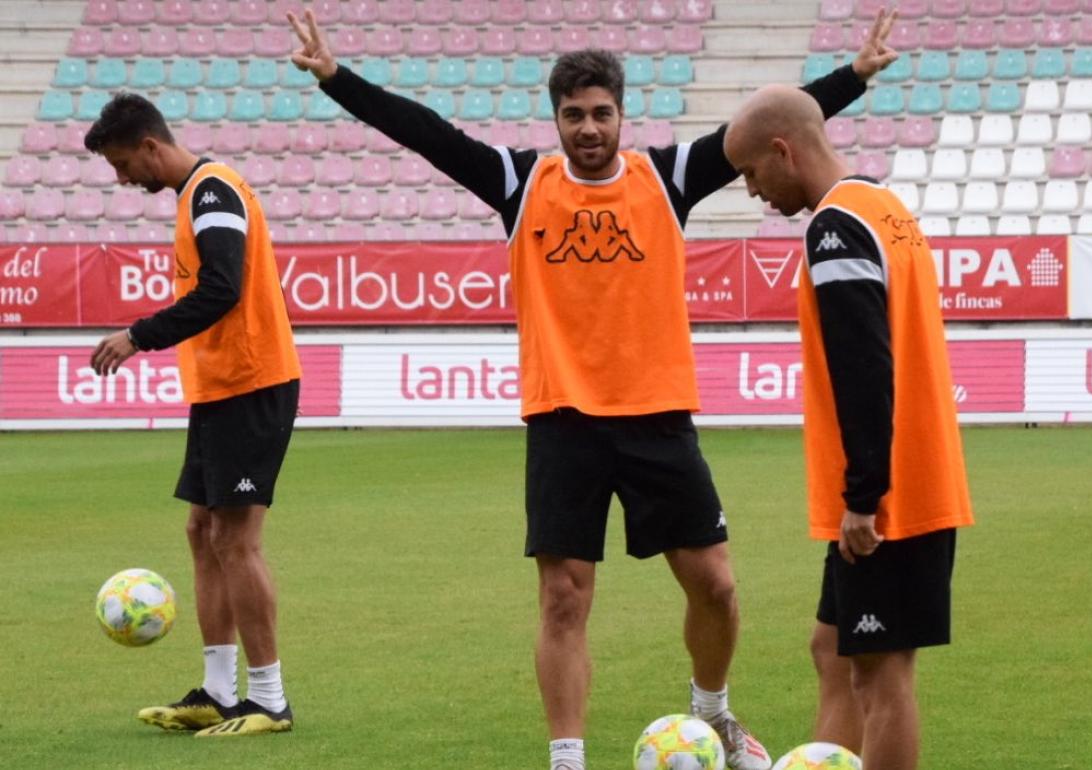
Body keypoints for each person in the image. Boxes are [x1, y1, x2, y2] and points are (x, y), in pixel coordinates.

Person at [287, 9, 896, 769]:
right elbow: (427, 134)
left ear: (621, 114)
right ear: (556, 119)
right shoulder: (521, 183)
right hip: (564, 420)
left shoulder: (666, 178)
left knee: (716, 587)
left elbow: (770, 127)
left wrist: (855, 77)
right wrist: (338, 79)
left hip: (659, 418)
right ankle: (567, 759)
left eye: (601, 113)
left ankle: (714, 716)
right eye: (573, 115)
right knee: (564, 599)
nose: (588, 128)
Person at [722, 85, 975, 770]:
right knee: (833, 650)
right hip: (910, 478)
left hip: (891, 497)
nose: (751, 191)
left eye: (750, 172)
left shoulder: (834, 229)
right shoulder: (882, 205)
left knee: (881, 677)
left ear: (783, 150)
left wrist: (864, 499)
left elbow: (866, 370)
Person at [86, 93, 302, 737]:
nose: (123, 178)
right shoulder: (194, 197)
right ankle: (216, 691)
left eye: (124, 164)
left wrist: (138, 335)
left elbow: (222, 288)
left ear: (151, 146)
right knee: (203, 533)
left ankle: (268, 699)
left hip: (251, 382)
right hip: (219, 388)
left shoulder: (212, 194)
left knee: (237, 540)